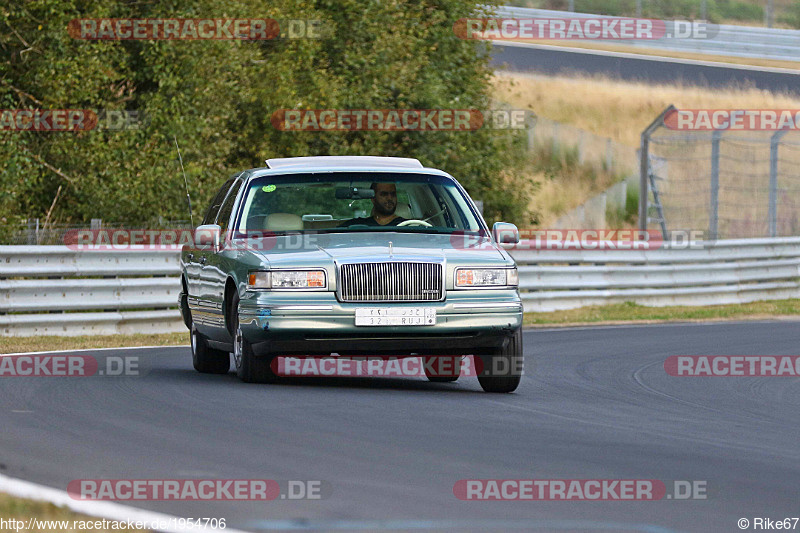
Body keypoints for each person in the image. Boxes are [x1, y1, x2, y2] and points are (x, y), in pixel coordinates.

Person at [339, 182, 406, 227]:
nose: (390, 198)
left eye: (393, 194)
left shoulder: (409, 226)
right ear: (373, 199)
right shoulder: (358, 225)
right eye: (384, 194)